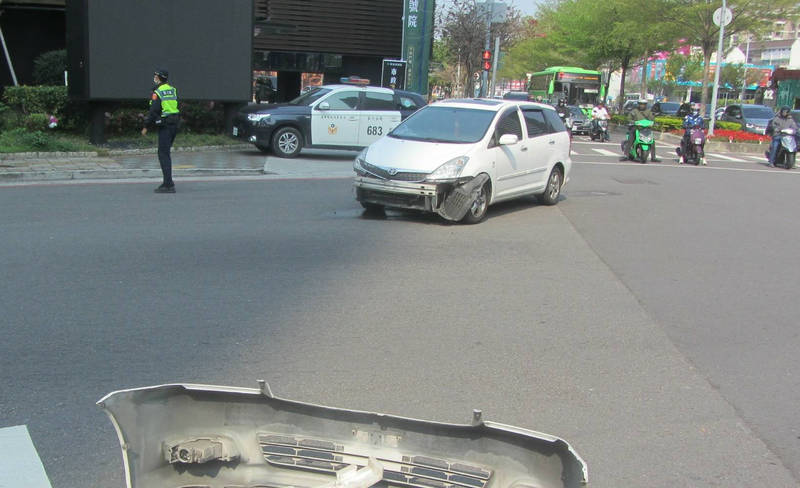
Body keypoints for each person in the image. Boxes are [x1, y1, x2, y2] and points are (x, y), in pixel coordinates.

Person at [142, 69, 180, 193]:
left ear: (159, 78)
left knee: (163, 154)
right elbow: (176, 105)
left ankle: (168, 185)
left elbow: (153, 111)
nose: (154, 77)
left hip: (165, 125)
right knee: (166, 153)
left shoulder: (158, 92)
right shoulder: (172, 89)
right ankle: (168, 182)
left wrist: (146, 126)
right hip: (174, 124)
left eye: (155, 76)